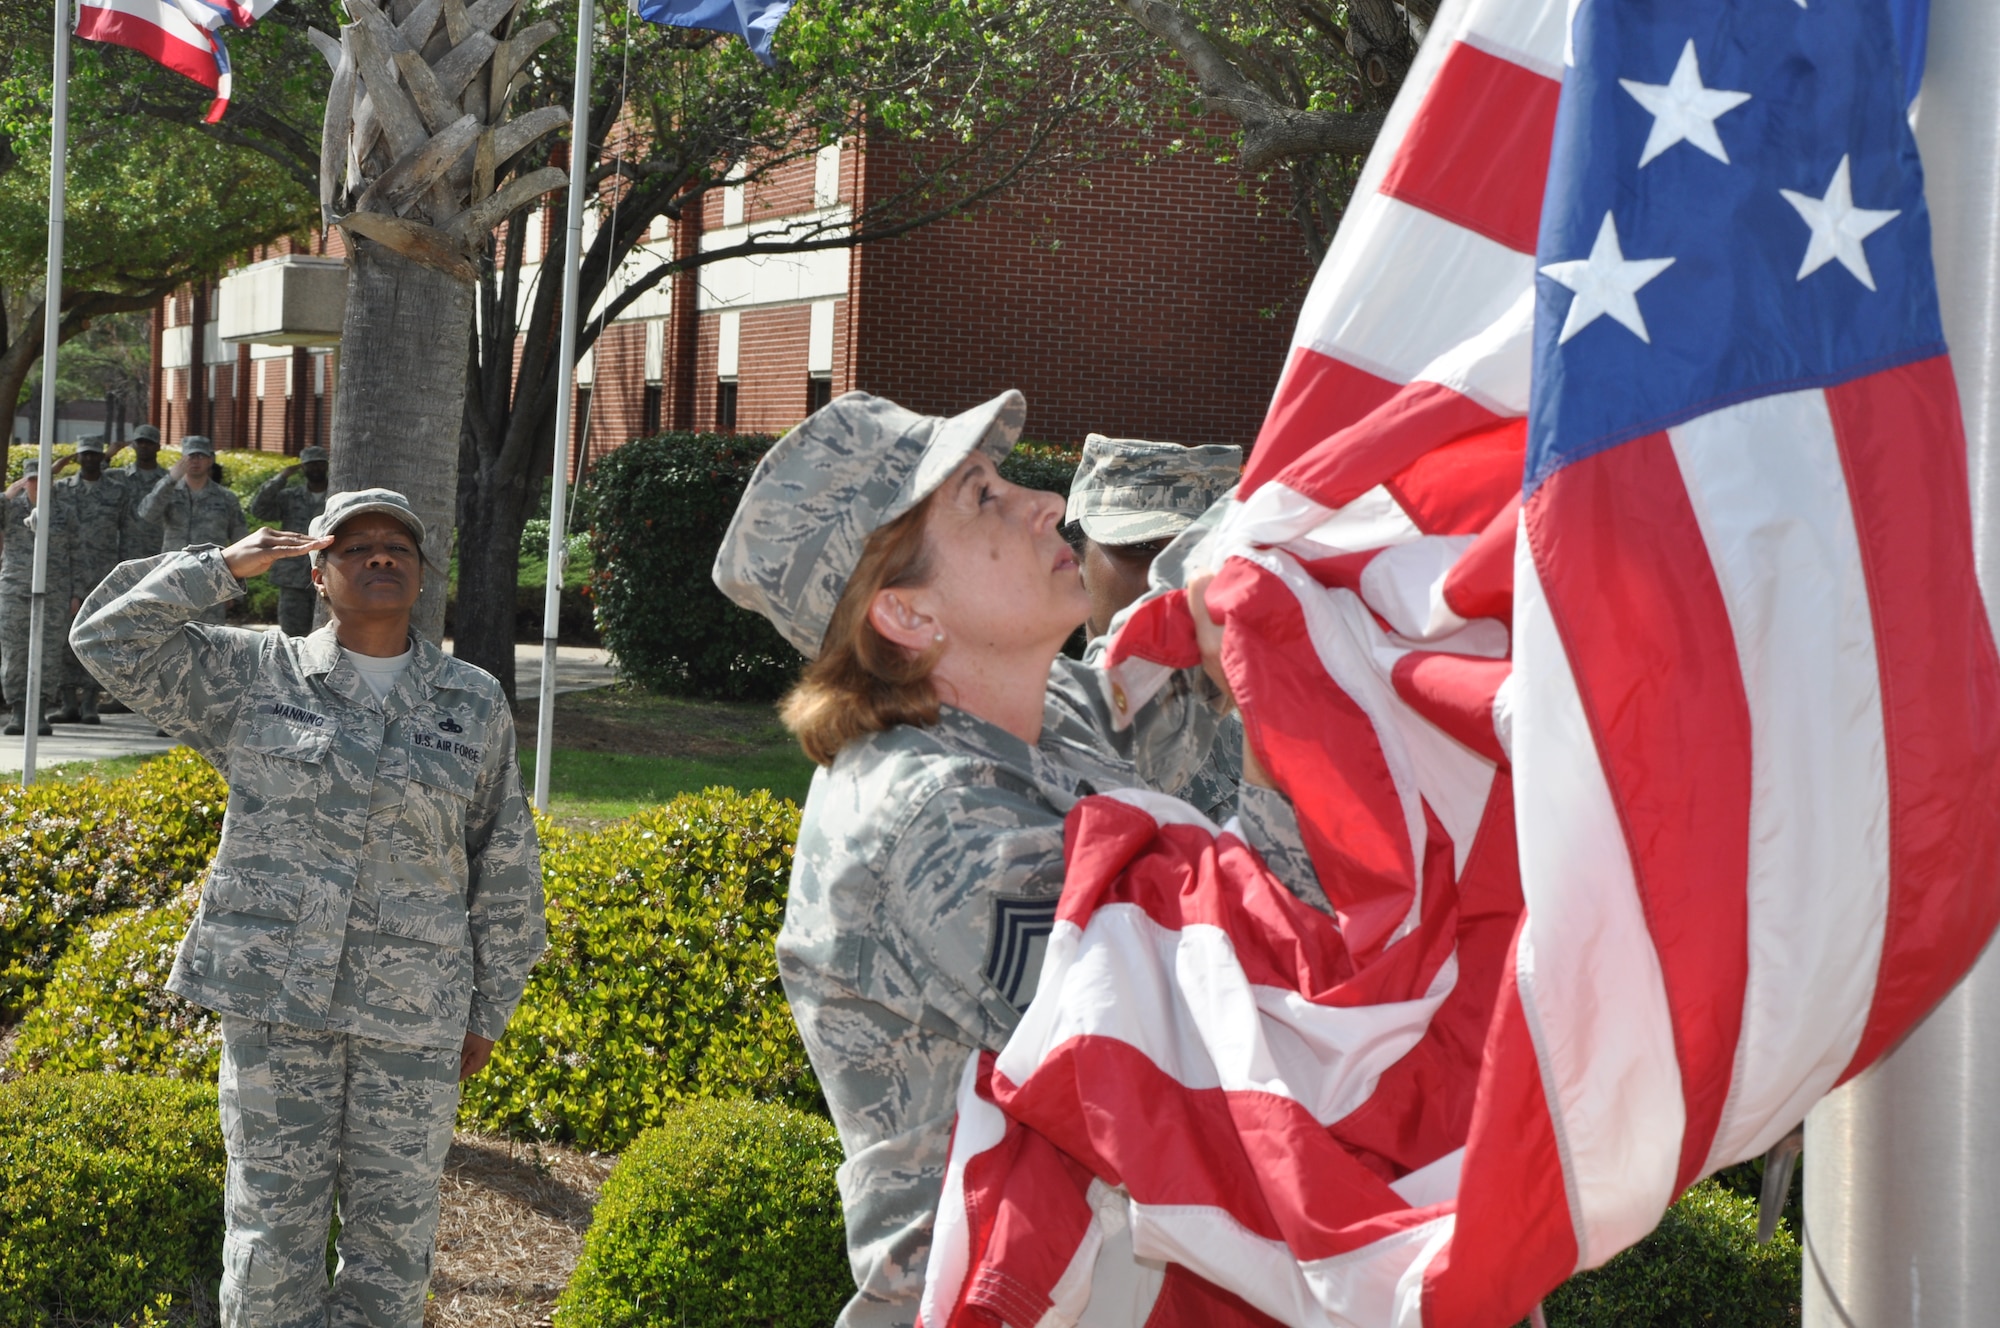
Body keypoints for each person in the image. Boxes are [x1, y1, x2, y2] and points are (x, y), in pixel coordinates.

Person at [713, 391, 1307, 1328]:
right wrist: (1283, 735)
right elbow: (1201, 1036)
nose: (1044, 503)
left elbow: (1179, 661)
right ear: (905, 614)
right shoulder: (928, 819)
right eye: (981, 498)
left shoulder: (1053, 708)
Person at [71, 487, 546, 1328]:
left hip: (413, 1011)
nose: (379, 558)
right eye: (354, 546)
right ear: (318, 573)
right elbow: (105, 638)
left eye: (397, 547)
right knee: (269, 1235)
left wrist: (489, 1008)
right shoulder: (253, 674)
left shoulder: (469, 700)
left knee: (392, 1246)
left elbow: (503, 862)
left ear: (422, 575)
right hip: (275, 1005)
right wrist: (222, 566)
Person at [1065, 433, 1244, 821]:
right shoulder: (1030, 734)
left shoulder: (1269, 747)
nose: (1166, 576)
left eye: (1193, 552)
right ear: (1074, 564)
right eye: (1141, 548)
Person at [50, 435, 127, 723]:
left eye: (96, 454)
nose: (91, 459)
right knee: (64, 640)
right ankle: (68, 702)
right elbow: (31, 489)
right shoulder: (62, 488)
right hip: (66, 573)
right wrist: (55, 468)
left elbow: (128, 530)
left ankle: (91, 703)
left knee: (99, 638)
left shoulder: (117, 491)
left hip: (102, 575)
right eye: (85, 455)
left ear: (102, 457)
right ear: (77, 458)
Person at [0, 455, 76, 737]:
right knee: (15, 653)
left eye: (41, 478)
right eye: (30, 479)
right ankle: (18, 712)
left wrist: (76, 593)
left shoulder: (64, 512)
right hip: (15, 589)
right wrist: (6, 496)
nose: (35, 484)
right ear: (23, 481)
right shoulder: (8, 508)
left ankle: (40, 712)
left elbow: (77, 553)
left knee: (49, 653)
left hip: (55, 590)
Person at [135, 435, 247, 624]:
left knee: (211, 642)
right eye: (190, 456)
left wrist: (234, 586)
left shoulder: (226, 498)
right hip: (172, 580)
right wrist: (170, 479)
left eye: (201, 456)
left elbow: (241, 542)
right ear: (182, 459)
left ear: (210, 460)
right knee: (169, 641)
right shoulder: (169, 492)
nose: (195, 461)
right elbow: (146, 514)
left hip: (212, 581)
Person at [250, 445, 331, 637]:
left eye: (320, 464)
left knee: (327, 633)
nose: (316, 469)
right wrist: (281, 478)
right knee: (291, 634)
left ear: (327, 466)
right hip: (292, 577)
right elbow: (259, 509)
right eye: (311, 465)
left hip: (328, 572)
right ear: (303, 468)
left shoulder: (336, 496)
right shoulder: (289, 496)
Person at [116, 424, 168, 563]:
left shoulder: (167, 481)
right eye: (140, 442)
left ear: (158, 447)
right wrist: (107, 456)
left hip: (158, 552)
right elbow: (94, 478)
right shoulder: (119, 477)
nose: (144, 446)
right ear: (133, 445)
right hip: (126, 551)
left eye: (149, 443)